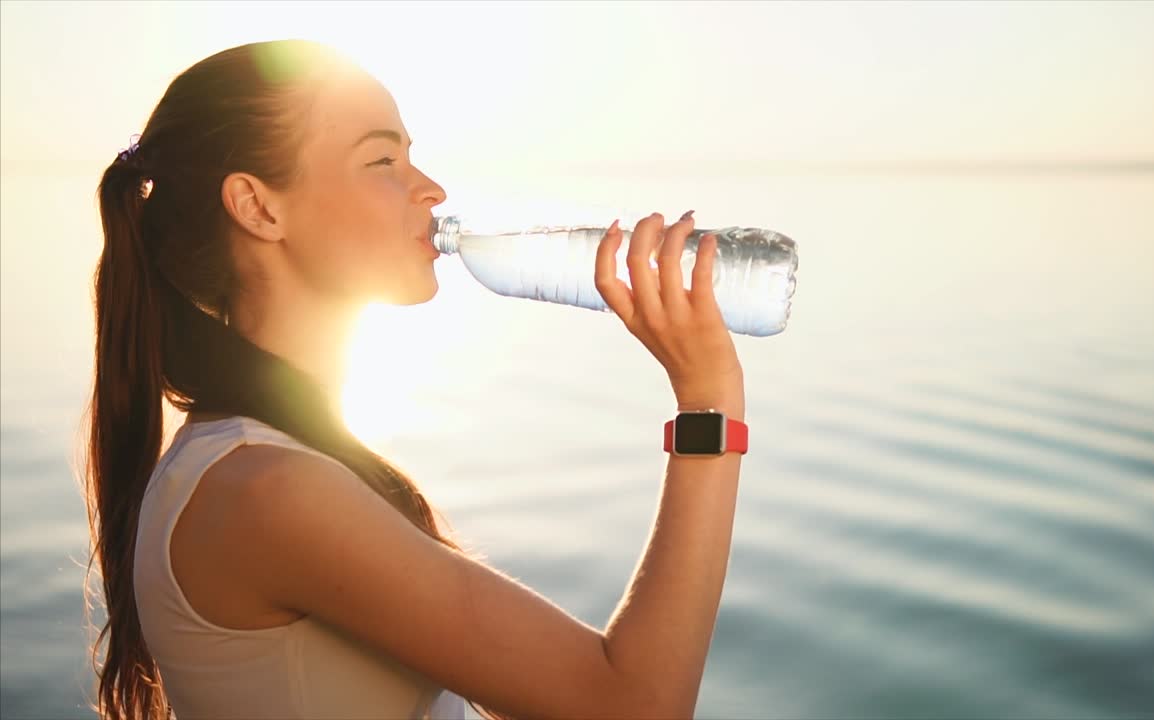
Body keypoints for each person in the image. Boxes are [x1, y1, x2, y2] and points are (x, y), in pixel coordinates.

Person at [80, 38, 747, 720]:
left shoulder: (271, 461)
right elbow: (636, 708)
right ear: (259, 207)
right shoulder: (264, 491)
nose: (431, 189)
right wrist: (709, 401)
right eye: (382, 160)